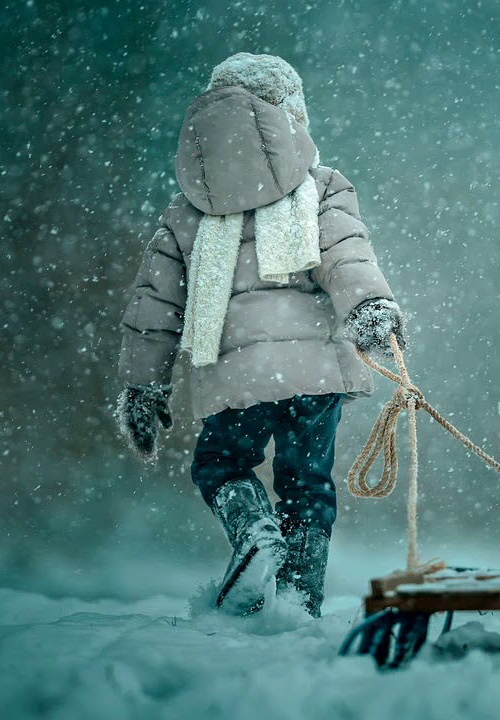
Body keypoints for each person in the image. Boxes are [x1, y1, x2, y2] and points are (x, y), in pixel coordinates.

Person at [116, 53, 406, 618]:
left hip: (234, 378)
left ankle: (253, 534)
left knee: (221, 467)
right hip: (316, 375)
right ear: (291, 119)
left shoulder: (185, 212)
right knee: (308, 486)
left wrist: (141, 385)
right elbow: (347, 255)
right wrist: (371, 307)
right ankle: (298, 604)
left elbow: (155, 306)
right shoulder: (322, 189)